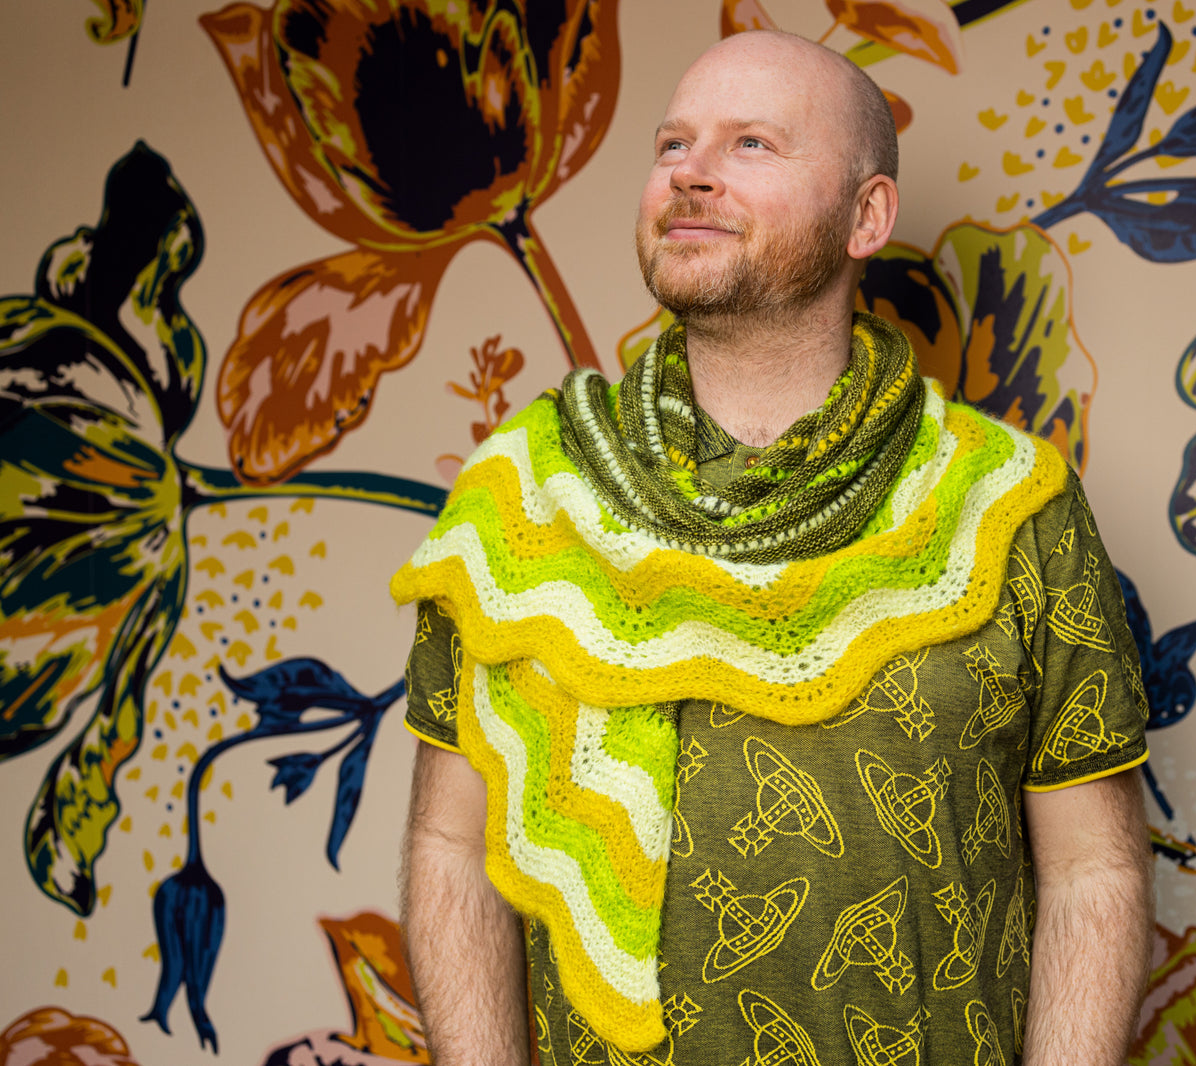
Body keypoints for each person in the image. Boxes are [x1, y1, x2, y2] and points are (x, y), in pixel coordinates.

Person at [394, 29, 1153, 1066]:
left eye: (750, 143)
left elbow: (1091, 872)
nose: (690, 173)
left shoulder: (1009, 504)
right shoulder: (526, 500)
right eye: (672, 145)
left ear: (866, 214)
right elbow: (450, 846)